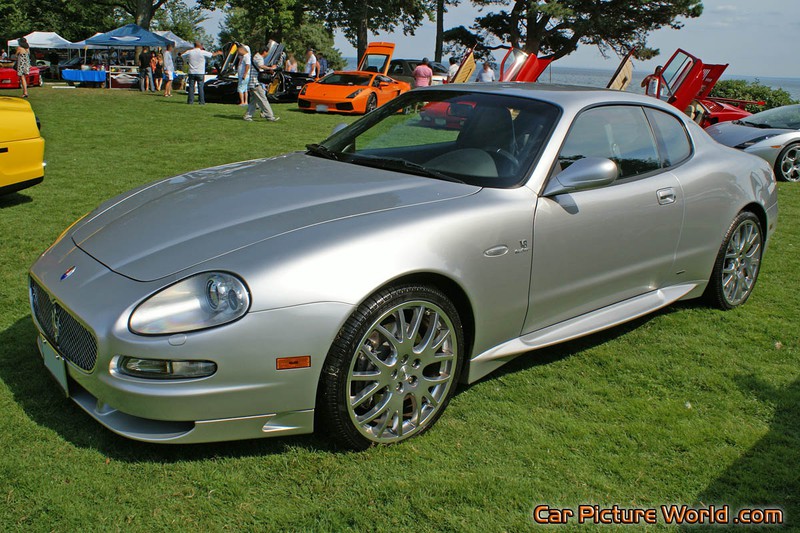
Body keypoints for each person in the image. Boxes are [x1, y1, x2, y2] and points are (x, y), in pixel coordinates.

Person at [243, 44, 279, 123]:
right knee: (263, 100)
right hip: (255, 83)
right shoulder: (259, 57)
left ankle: (247, 116)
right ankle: (270, 117)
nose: (267, 54)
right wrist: (270, 68)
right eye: (267, 53)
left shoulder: (255, 56)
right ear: (264, 52)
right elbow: (261, 66)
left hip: (252, 83)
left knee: (253, 102)